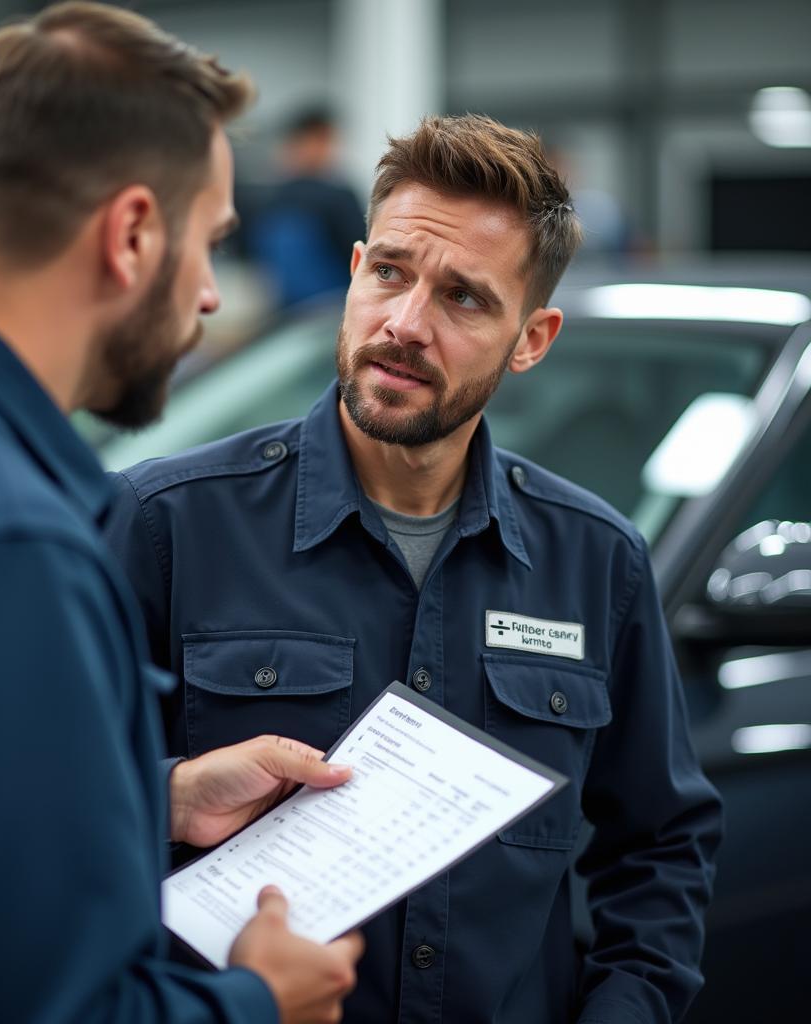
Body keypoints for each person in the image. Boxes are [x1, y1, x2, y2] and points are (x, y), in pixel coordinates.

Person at [0, 4, 363, 1022]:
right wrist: (255, 1001)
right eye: (209, 244)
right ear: (134, 232)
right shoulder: (5, 543)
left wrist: (157, 799)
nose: (210, 298)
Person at [104, 114, 724, 1023]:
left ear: (533, 338)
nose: (404, 324)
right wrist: (167, 796)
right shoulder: (163, 524)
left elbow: (660, 847)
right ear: (354, 270)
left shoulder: (597, 562)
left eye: (464, 298)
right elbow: (26, 813)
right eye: (390, 272)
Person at [246, 105, 366, 307]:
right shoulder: (337, 197)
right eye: (323, 140)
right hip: (321, 313)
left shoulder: (267, 196)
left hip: (314, 313)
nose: (331, 150)